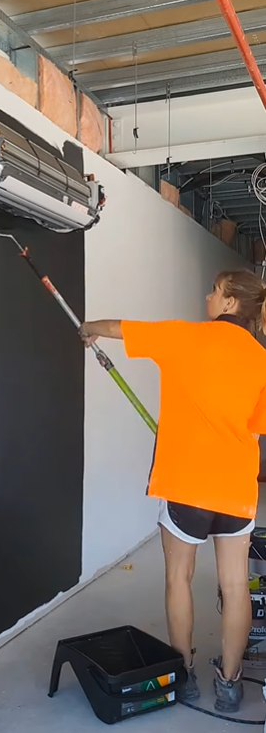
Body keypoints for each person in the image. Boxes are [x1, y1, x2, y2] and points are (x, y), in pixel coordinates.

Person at [79, 270, 266, 714]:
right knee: (236, 585)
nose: (206, 296)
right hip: (236, 489)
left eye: (213, 292)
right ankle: (230, 682)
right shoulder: (261, 358)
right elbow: (257, 431)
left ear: (229, 302)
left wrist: (88, 330)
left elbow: (119, 329)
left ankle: (182, 675)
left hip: (187, 486)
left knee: (177, 578)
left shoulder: (183, 337)